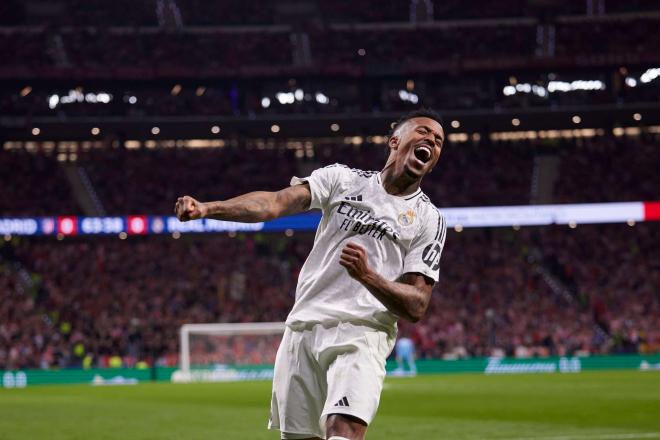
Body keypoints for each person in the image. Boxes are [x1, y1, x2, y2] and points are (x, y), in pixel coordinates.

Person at [175, 108, 447, 440]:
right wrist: (208, 208)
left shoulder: (428, 219)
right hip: (302, 328)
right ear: (395, 141)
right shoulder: (342, 180)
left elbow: (417, 305)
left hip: (362, 332)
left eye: (438, 141)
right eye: (423, 132)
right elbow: (274, 203)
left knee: (343, 430)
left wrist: (367, 276)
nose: (431, 141)